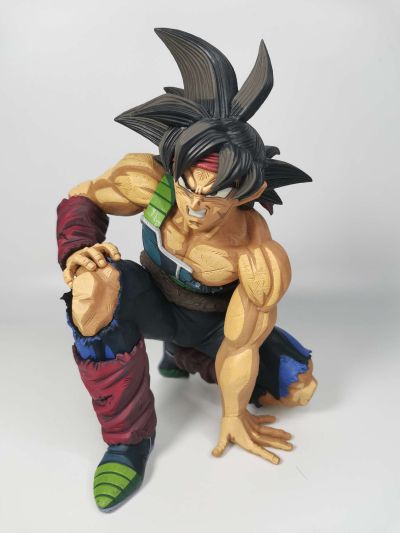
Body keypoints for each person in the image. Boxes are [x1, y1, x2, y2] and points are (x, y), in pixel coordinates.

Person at [56, 28, 317, 512]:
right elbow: (84, 195)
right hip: (152, 302)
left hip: (212, 330)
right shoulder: (152, 183)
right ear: (174, 167)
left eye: (216, 195)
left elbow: (240, 345)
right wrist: (77, 247)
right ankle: (127, 443)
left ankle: (183, 355)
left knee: (298, 387)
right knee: (90, 290)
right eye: (188, 187)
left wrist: (233, 416)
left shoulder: (255, 251)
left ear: (247, 192)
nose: (196, 207)